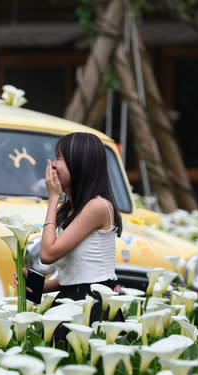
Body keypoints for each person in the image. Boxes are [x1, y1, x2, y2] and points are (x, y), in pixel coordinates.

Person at [36, 132, 124, 340]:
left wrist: (53, 199)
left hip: (94, 305)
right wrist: (36, 285)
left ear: (79, 164)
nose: (53, 165)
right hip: (70, 299)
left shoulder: (98, 206)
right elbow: (77, 274)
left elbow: (48, 254)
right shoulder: (69, 210)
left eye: (59, 158)